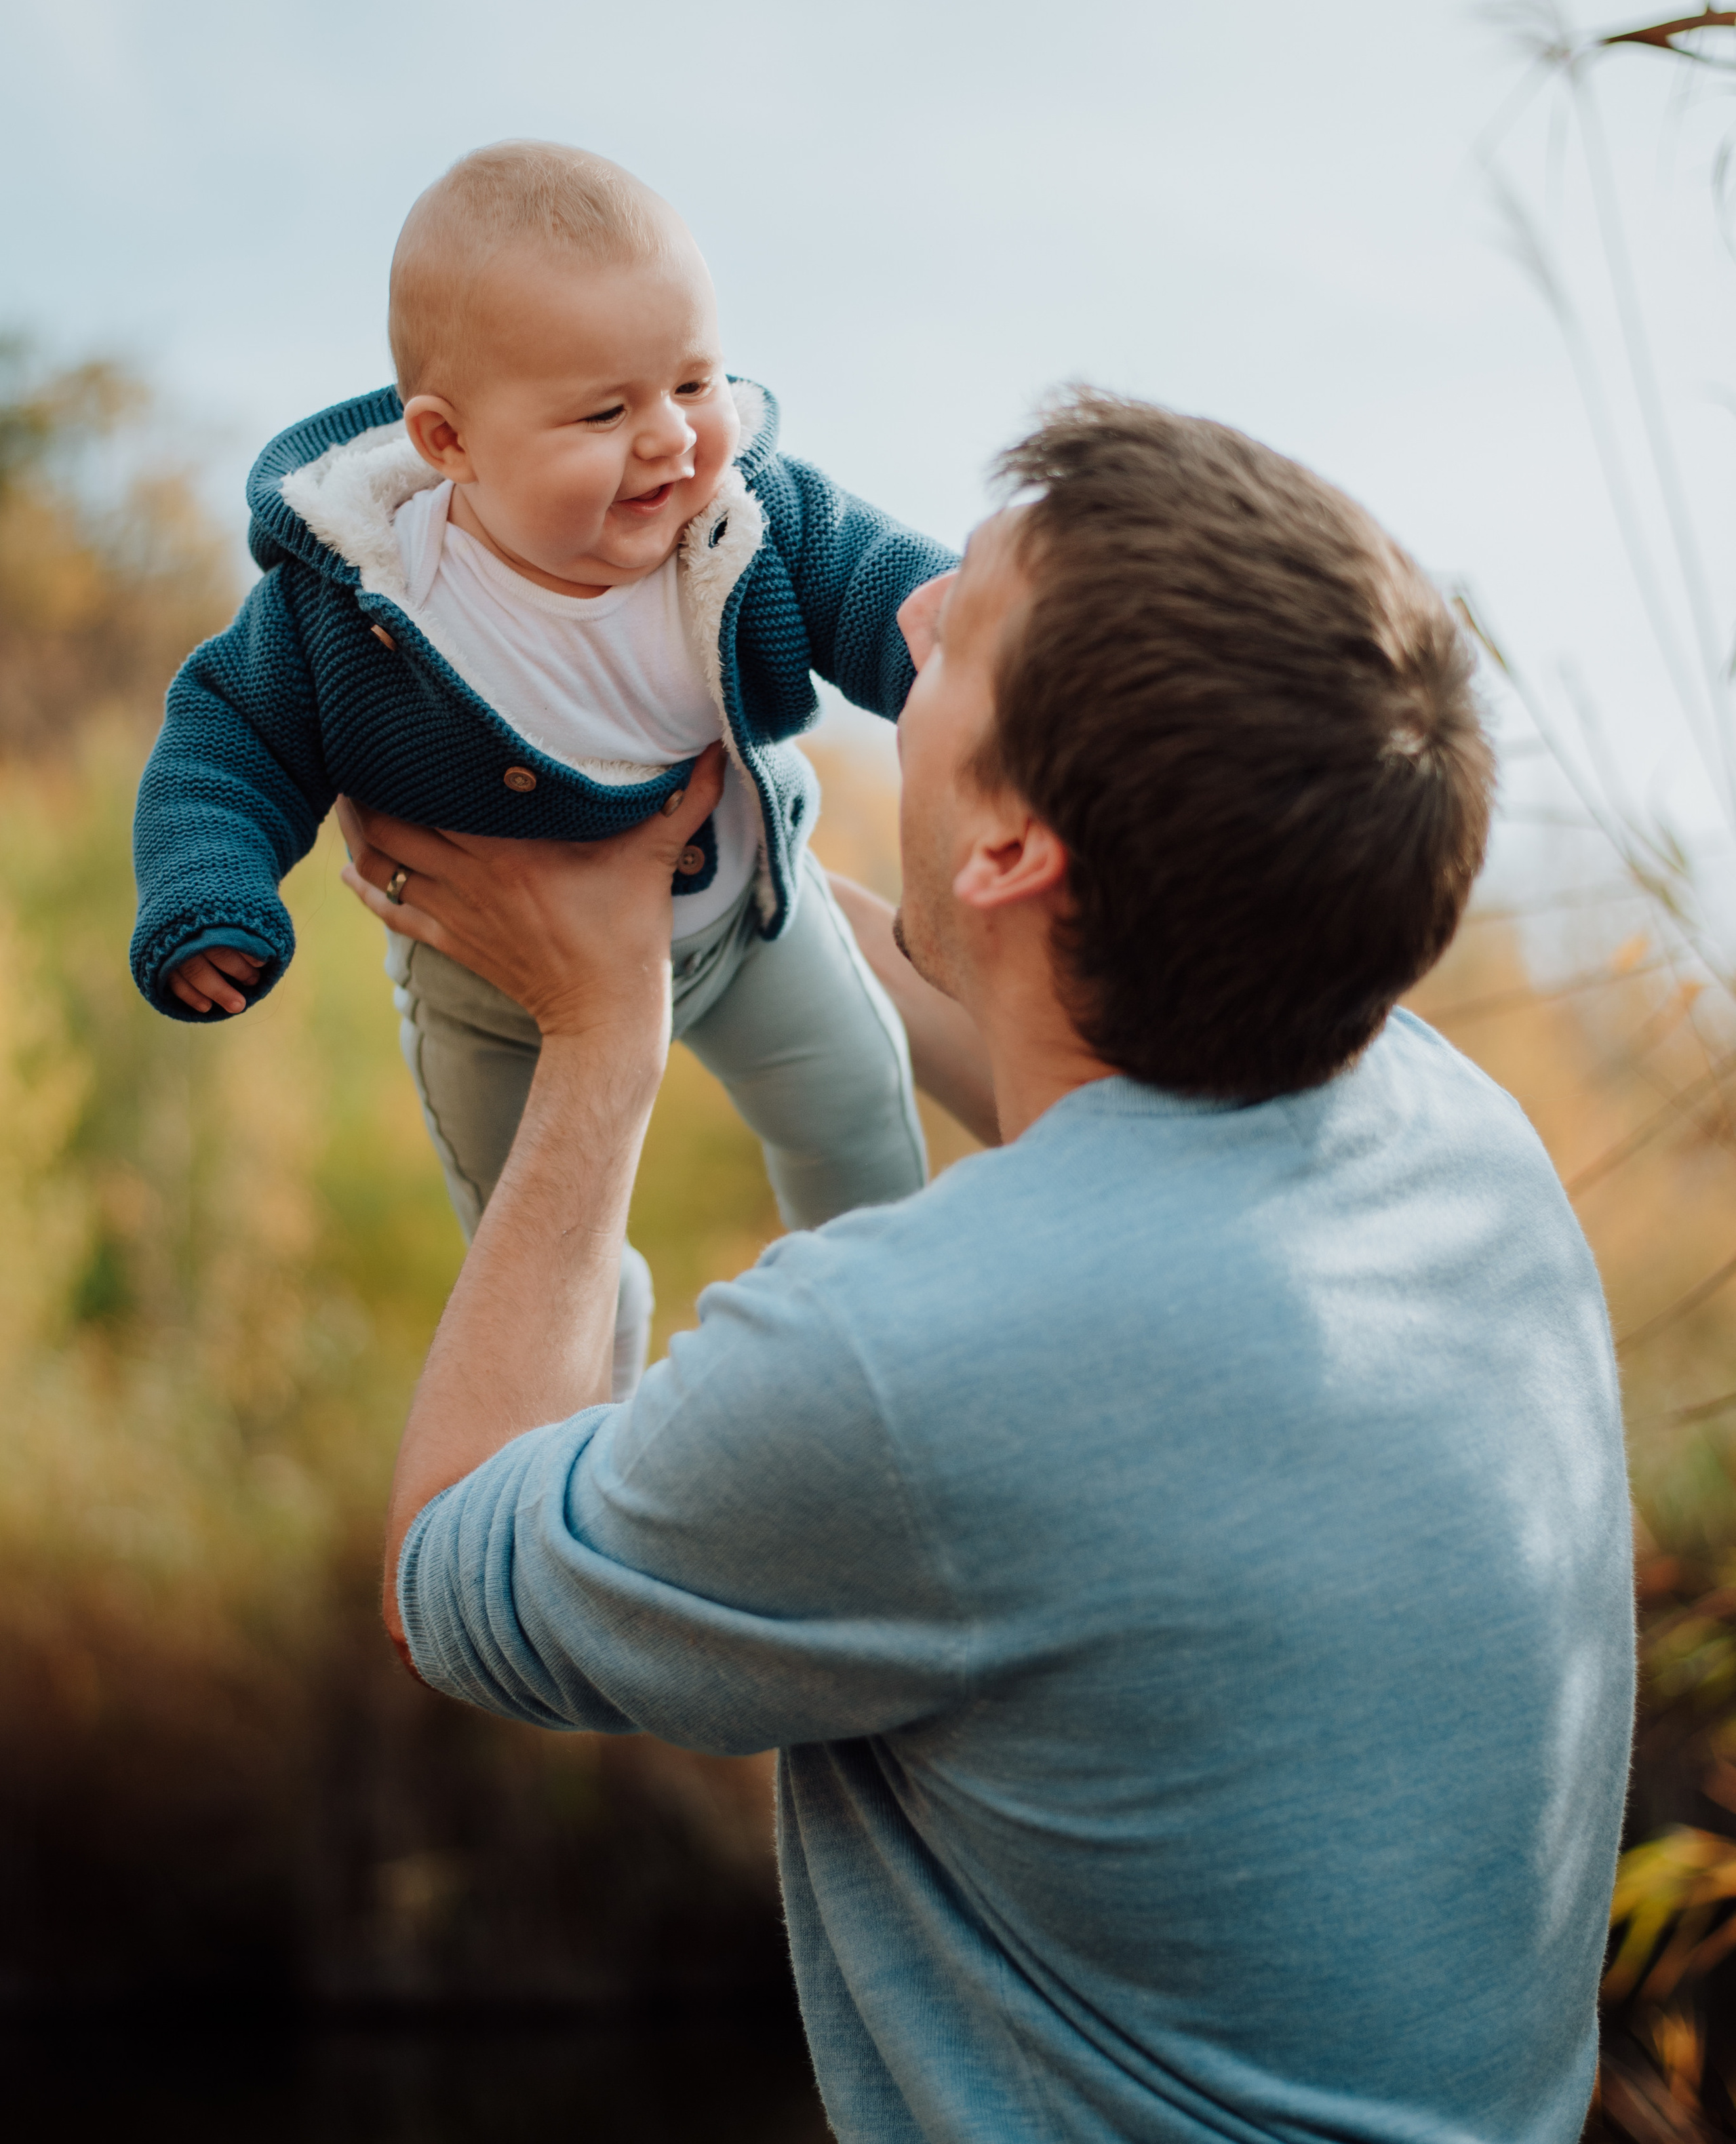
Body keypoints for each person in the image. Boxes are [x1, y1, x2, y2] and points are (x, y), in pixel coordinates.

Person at [340, 391, 1634, 2144]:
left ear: (1018, 852)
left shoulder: (899, 1367)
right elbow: (1046, 1034)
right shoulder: (1456, 1144)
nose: (915, 608)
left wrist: (596, 1038)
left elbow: (444, 1568)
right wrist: (709, 869)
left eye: (966, 629)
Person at [129, 141, 954, 1391]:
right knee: (536, 1244)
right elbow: (226, 736)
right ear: (450, 441)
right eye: (605, 413)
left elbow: (885, 592)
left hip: (749, 920)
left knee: (853, 1123)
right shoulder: (362, 598)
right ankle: (581, 1406)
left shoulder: (746, 521)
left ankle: (889, 1345)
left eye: (695, 379)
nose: (671, 437)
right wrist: (211, 890)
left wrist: (982, 649)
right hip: (490, 992)